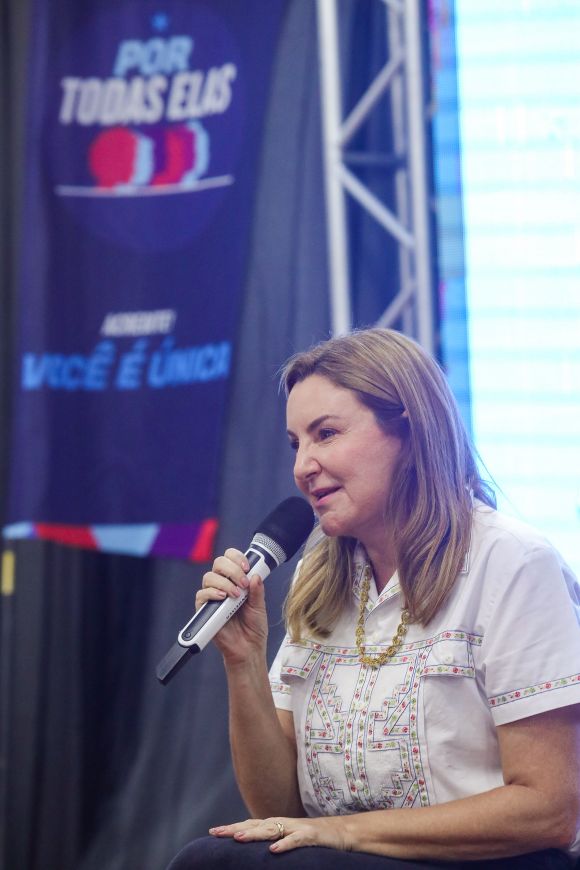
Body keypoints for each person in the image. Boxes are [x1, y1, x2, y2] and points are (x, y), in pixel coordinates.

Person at [167, 328, 580, 870]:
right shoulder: (320, 578)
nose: (302, 466)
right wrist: (243, 661)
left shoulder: (513, 563)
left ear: (408, 431)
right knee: (214, 860)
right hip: (347, 858)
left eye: (326, 434)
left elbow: (549, 809)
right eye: (296, 444)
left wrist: (341, 833)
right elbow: (276, 810)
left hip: (487, 861)